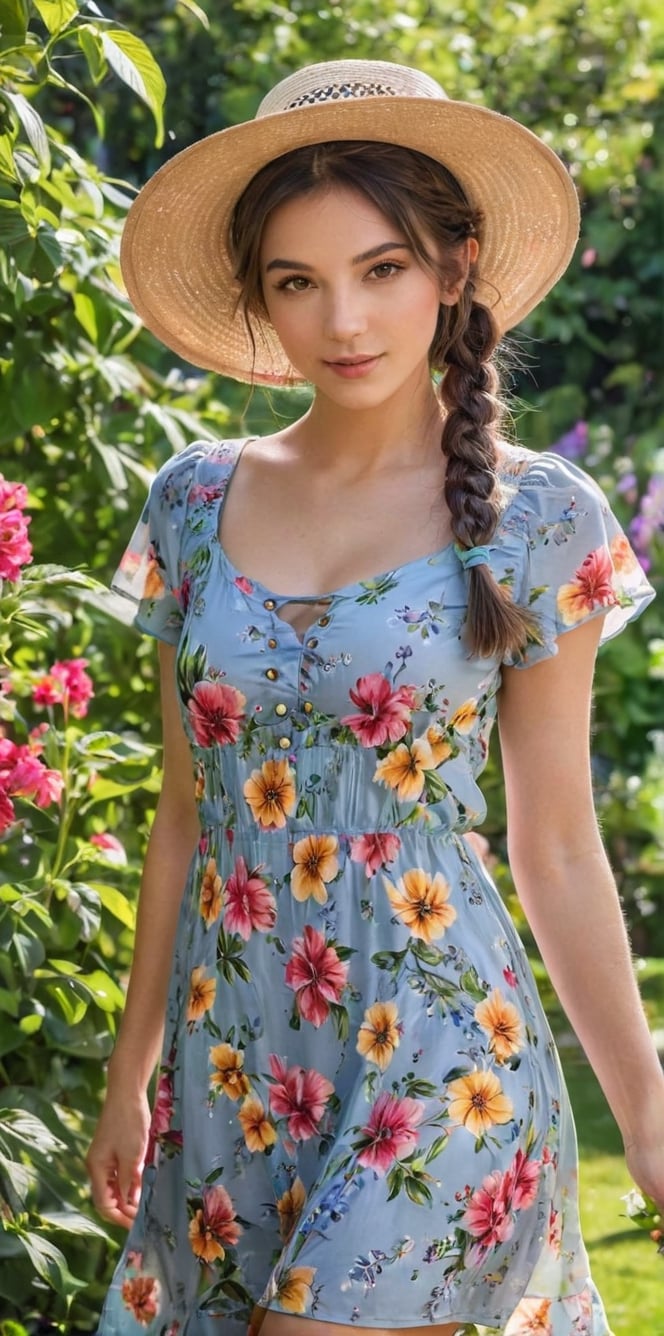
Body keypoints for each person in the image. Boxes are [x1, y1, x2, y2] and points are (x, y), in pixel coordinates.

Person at [87, 59, 663, 1336]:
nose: (342, 318)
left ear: (455, 267)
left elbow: (558, 844)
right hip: (231, 1044)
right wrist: (130, 1076)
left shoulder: (538, 517)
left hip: (441, 1047)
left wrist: (651, 1114)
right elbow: (184, 817)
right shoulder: (191, 498)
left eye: (381, 268)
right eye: (298, 281)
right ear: (259, 299)